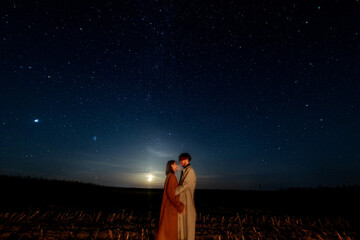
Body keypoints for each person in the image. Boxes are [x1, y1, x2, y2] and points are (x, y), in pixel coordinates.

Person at [157, 160, 185, 240]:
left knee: (166, 232)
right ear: (171, 166)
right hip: (170, 209)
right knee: (170, 233)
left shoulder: (169, 176)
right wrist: (180, 207)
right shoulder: (172, 177)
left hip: (169, 208)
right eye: (175, 164)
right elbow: (172, 195)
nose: (177, 166)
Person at [176, 153, 196, 240]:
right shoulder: (185, 170)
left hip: (187, 201)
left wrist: (172, 192)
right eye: (180, 160)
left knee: (187, 225)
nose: (180, 162)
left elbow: (185, 185)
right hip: (183, 200)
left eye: (182, 160)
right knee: (183, 225)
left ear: (187, 159)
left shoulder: (190, 171)